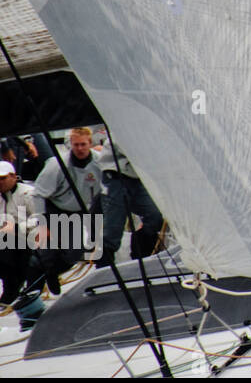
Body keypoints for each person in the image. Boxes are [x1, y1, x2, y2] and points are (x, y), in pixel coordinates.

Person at [30, 127, 103, 295]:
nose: (80, 148)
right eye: (76, 145)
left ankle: (52, 273)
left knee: (74, 253)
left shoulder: (99, 163)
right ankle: (35, 286)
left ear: (90, 144)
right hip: (55, 209)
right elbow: (39, 194)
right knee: (47, 253)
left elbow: (104, 191)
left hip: (79, 211)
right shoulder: (56, 165)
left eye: (83, 144)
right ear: (70, 144)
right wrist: (43, 224)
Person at [94, 141, 164, 268]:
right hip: (115, 175)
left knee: (155, 217)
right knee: (113, 230)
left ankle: (141, 257)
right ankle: (102, 268)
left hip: (137, 176)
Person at [0, 161, 46, 328]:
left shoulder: (28, 193)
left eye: (3, 178)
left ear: (13, 177)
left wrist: (18, 227)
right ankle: (11, 286)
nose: (0, 182)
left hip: (29, 238)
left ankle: (25, 289)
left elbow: (40, 217)